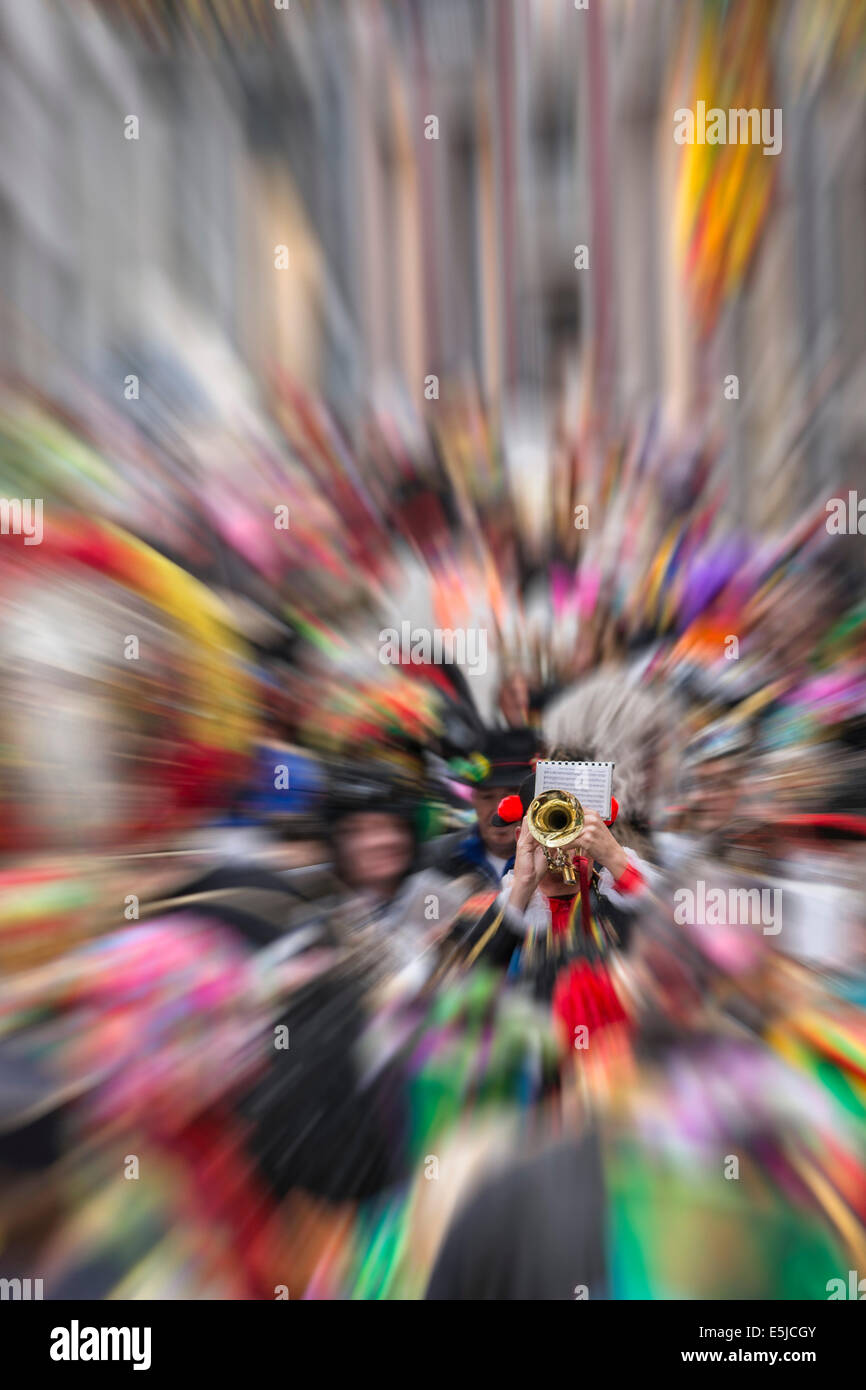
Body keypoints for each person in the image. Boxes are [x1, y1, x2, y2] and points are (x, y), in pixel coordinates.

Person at [426, 728, 539, 888]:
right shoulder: (438, 856)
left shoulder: (550, 860)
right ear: (473, 799)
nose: (499, 811)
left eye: (512, 794)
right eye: (487, 797)